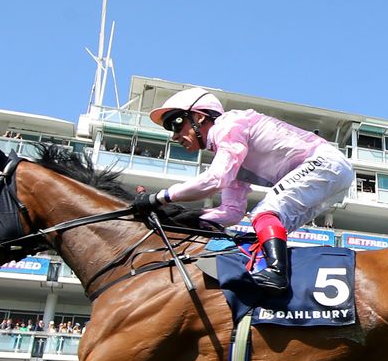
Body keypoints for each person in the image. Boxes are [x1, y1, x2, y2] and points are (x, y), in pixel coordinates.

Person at [136, 88, 354, 294]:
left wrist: (159, 198)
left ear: (199, 116)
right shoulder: (226, 151)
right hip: (330, 173)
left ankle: (278, 275)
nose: (174, 135)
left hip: (325, 163)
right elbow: (232, 212)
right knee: (259, 235)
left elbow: (215, 179)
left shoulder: (228, 125)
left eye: (176, 123)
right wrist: (182, 218)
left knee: (263, 213)